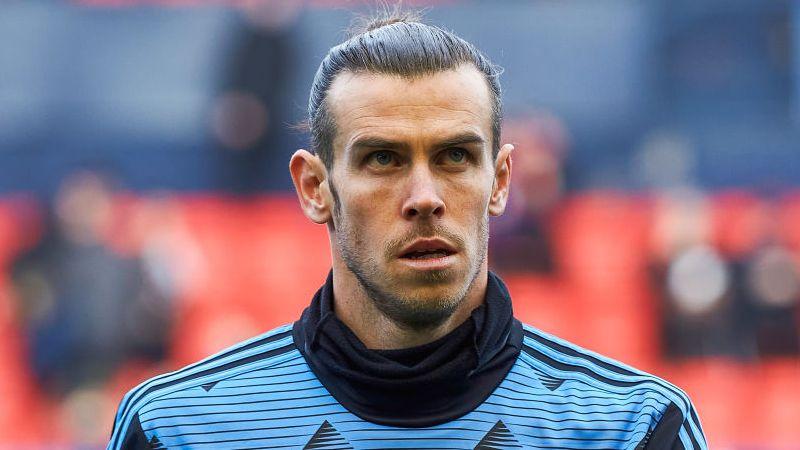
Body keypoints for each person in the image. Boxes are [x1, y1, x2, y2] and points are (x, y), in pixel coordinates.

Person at [108, 10, 707, 449]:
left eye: (455, 157)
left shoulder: (632, 428)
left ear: (501, 182)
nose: (424, 198)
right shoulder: (178, 430)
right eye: (383, 159)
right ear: (314, 188)